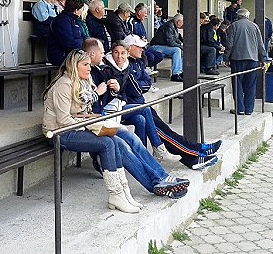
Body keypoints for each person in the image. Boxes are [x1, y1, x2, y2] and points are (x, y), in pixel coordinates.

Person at [42, 49, 189, 211]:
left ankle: (158, 180)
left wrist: (93, 116)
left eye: (89, 65)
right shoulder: (63, 85)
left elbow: (83, 111)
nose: (89, 68)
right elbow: (64, 121)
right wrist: (91, 123)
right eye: (85, 65)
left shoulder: (83, 82)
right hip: (59, 133)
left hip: (79, 125)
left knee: (125, 138)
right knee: (108, 143)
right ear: (73, 66)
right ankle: (119, 194)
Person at [107, 35, 220, 170]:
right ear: (129, 48)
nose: (142, 50)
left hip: (141, 105)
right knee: (163, 133)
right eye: (139, 47)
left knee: (166, 131)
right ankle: (193, 155)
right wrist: (139, 86)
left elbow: (146, 83)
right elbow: (135, 89)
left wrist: (140, 85)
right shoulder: (124, 65)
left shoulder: (137, 62)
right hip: (133, 106)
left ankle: (196, 150)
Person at [102, 40, 170, 159]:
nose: (119, 56)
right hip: (109, 109)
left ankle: (141, 155)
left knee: (140, 120)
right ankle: (158, 146)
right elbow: (113, 93)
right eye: (116, 52)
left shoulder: (128, 66)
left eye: (123, 53)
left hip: (123, 105)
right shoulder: (106, 68)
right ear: (111, 53)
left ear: (127, 54)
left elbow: (140, 88)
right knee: (144, 109)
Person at [223, 8, 267, 115]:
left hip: (237, 59)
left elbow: (230, 44)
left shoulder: (234, 25)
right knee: (251, 85)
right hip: (253, 60)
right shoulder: (255, 26)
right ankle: (249, 109)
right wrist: (263, 59)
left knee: (237, 84)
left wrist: (226, 58)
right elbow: (260, 45)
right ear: (247, 16)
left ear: (238, 16)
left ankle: (240, 109)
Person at [46, 0, 86, 66]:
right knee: (86, 63)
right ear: (76, 10)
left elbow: (83, 36)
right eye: (81, 9)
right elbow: (68, 43)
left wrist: (89, 43)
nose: (82, 12)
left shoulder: (76, 20)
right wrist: (83, 44)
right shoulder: (62, 21)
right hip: (61, 55)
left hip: (74, 54)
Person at [147, 14, 184, 82]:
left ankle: (180, 73)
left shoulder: (174, 26)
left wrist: (181, 44)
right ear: (178, 21)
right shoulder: (168, 26)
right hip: (155, 47)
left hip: (163, 47)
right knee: (177, 50)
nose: (183, 24)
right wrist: (181, 46)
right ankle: (175, 74)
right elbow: (171, 42)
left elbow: (175, 39)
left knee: (182, 51)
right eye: (182, 22)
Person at [130, 2, 164, 70]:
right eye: (145, 13)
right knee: (150, 56)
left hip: (145, 48)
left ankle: (145, 68)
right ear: (139, 12)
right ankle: (143, 69)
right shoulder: (132, 21)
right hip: (136, 48)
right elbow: (131, 37)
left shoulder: (140, 22)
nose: (146, 15)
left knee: (160, 55)